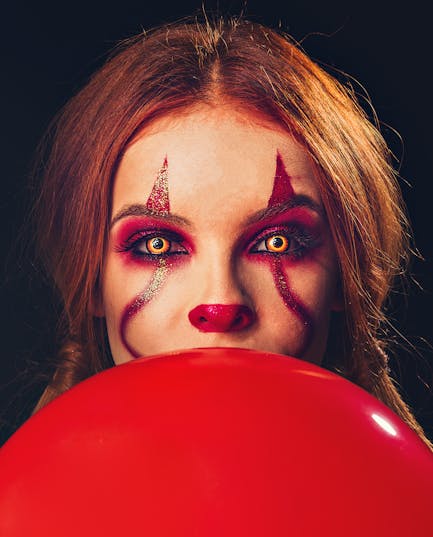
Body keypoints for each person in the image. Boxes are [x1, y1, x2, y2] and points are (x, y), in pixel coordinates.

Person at [28, 15, 430, 446]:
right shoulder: (19, 509)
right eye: (157, 245)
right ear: (91, 282)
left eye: (278, 243)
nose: (219, 304)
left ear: (343, 276)